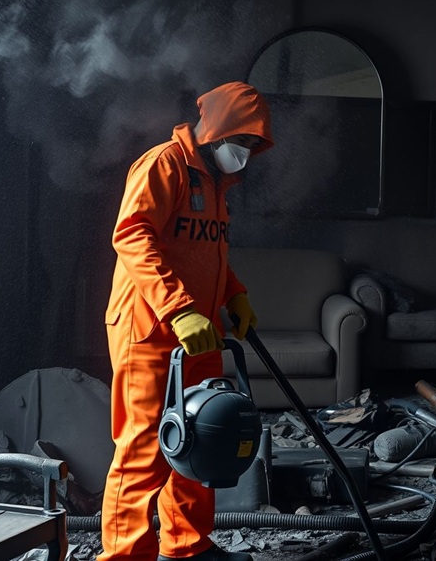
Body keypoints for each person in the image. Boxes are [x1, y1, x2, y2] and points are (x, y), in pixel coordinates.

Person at [99, 81, 273, 561]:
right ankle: (124, 555)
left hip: (198, 333)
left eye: (255, 147)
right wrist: (178, 309)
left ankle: (188, 548)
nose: (247, 153)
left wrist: (234, 295)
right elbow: (133, 236)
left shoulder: (215, 184)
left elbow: (209, 249)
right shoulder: (163, 165)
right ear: (218, 130)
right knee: (144, 450)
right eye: (244, 141)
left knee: (201, 437)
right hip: (150, 330)